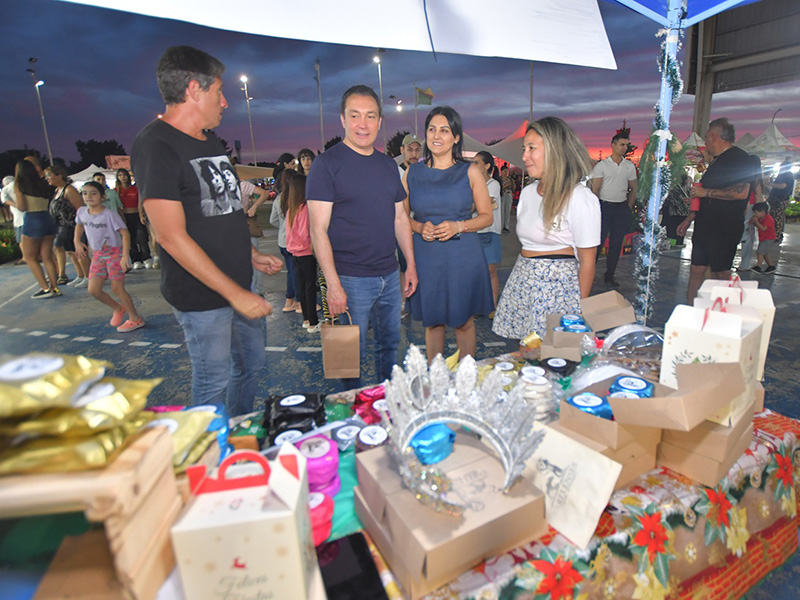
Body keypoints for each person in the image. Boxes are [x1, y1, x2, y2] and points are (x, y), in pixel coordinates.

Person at [131, 45, 283, 416]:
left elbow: (224, 209)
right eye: (219, 91)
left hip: (240, 282)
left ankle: (237, 430)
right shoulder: (155, 146)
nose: (225, 102)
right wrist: (235, 294)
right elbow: (170, 236)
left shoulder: (211, 141)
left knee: (251, 365)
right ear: (194, 91)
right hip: (203, 297)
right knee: (214, 380)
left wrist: (251, 254)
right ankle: (212, 447)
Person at [307, 84, 417, 389]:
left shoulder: (388, 166)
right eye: (355, 115)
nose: (363, 124)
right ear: (343, 119)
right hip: (349, 279)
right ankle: (350, 410)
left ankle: (384, 402)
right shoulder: (326, 165)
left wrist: (409, 264)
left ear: (380, 122)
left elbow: (400, 217)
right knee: (347, 358)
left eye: (370, 116)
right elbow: (317, 230)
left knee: (389, 348)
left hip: (389, 276)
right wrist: (333, 284)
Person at [493, 117, 601, 340]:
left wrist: (576, 315)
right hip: (524, 281)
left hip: (558, 291)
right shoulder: (527, 193)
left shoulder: (579, 197)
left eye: (532, 148)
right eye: (524, 149)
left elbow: (588, 263)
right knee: (527, 351)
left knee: (553, 354)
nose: (525, 156)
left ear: (554, 150)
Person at [405, 107, 493, 361]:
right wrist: (419, 227)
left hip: (463, 256)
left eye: (444, 130)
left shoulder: (470, 171)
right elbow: (400, 217)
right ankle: (437, 377)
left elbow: (486, 216)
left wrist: (459, 226)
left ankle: (467, 376)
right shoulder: (413, 172)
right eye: (432, 129)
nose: (436, 135)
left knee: (464, 321)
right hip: (427, 256)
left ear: (456, 137)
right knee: (433, 322)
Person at [677, 118, 753, 300]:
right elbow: (704, 195)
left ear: (714, 137)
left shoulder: (739, 158)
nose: (705, 142)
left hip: (724, 228)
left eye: (706, 138)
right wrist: (689, 218)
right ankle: (691, 309)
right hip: (705, 226)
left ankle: (722, 309)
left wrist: (707, 192)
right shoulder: (716, 161)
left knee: (721, 273)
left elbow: (741, 192)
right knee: (696, 269)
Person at [74, 181, 145, 332]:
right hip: (98, 254)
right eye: (85, 193)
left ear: (103, 197)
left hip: (114, 254)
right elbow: (79, 225)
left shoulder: (109, 215)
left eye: (93, 193)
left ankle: (135, 319)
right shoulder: (82, 212)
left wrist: (125, 256)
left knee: (117, 288)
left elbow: (125, 233)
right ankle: (118, 308)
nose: (88, 196)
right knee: (93, 290)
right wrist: (77, 241)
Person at [591, 132, 638, 288]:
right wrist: (596, 209)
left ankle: (609, 274)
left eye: (626, 145)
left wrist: (628, 207)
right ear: (613, 145)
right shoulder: (602, 166)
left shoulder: (629, 166)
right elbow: (595, 189)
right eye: (622, 144)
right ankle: (589, 273)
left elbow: (634, 188)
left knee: (616, 244)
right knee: (598, 242)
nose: (624, 148)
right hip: (604, 207)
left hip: (620, 208)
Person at [13, 160, 61, 299]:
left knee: (30, 257)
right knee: (47, 256)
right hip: (47, 218)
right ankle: (54, 287)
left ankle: (45, 288)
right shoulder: (43, 183)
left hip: (32, 219)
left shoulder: (20, 185)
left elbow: (22, 207)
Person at [44, 164, 90, 287]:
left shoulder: (69, 190)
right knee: (71, 252)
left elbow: (80, 208)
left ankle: (88, 276)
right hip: (62, 227)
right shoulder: (57, 190)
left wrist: (81, 227)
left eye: (49, 175)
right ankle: (80, 275)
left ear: (59, 176)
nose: (47, 178)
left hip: (73, 226)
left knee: (80, 252)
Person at [286, 174, 320, 333]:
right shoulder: (305, 208)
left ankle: (306, 319)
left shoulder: (292, 209)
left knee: (302, 285)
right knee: (310, 287)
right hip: (306, 252)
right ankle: (313, 322)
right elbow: (306, 232)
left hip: (295, 253)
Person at [473, 150, 503, 315]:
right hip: (474, 231)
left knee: (490, 270)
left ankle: (492, 305)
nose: (474, 165)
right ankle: (479, 305)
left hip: (489, 232)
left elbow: (481, 204)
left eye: (477, 162)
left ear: (487, 166)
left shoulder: (493, 185)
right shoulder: (473, 184)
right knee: (477, 272)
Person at [270, 169, 301, 312]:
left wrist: (283, 228)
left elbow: (272, 220)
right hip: (295, 242)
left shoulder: (279, 198)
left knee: (291, 271)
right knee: (296, 273)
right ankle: (299, 302)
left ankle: (289, 301)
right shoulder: (297, 198)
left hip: (282, 241)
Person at [115, 168, 152, 269]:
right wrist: (121, 218)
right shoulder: (116, 191)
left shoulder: (135, 189)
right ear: (118, 178)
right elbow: (117, 207)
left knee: (142, 237)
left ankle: (146, 258)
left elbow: (140, 203)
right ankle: (136, 259)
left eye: (124, 175)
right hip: (124, 217)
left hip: (136, 215)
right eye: (120, 175)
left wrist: (141, 215)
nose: (123, 177)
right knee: (130, 240)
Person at [738, 154, 765, 271]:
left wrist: (754, 214)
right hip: (747, 208)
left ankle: (745, 263)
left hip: (749, 208)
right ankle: (745, 263)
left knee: (746, 236)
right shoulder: (754, 177)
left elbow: (758, 196)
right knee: (746, 235)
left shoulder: (754, 178)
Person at [768, 158, 795, 248]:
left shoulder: (787, 176)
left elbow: (782, 186)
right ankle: (776, 234)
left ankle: (777, 235)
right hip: (778, 199)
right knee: (776, 216)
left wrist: (771, 184)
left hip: (780, 200)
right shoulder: (785, 175)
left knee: (777, 217)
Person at [2, 176, 26, 265]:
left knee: (21, 239)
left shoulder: (5, 189)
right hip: (29, 215)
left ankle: (25, 257)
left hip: (19, 218)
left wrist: (16, 205)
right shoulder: (21, 184)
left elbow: (5, 201)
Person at [749, 202, 777, 273]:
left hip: (769, 238)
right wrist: (753, 222)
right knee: (765, 253)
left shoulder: (768, 219)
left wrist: (756, 222)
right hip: (763, 238)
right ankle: (771, 266)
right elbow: (758, 226)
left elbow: (763, 228)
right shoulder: (760, 218)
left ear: (762, 212)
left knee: (760, 252)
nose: (755, 214)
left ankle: (759, 267)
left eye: (756, 212)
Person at [500, 165, 516, 232]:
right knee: (502, 211)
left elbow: (514, 189)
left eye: (507, 171)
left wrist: (513, 183)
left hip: (509, 194)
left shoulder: (509, 179)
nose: (506, 173)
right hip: (502, 195)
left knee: (507, 211)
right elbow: (499, 188)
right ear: (501, 171)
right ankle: (501, 226)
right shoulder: (500, 179)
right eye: (504, 171)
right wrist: (506, 185)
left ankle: (506, 226)